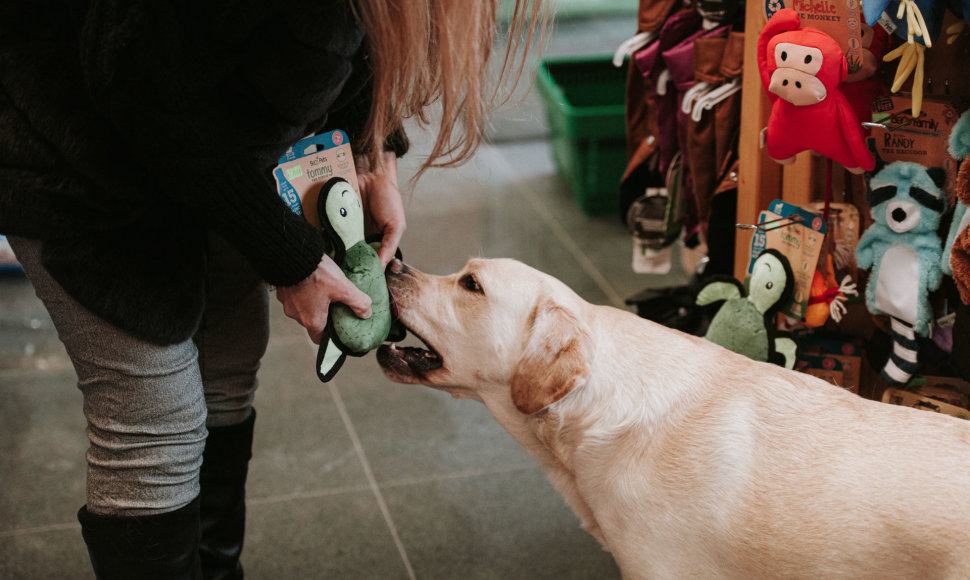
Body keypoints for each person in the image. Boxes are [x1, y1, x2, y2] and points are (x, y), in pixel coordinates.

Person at [0, 1, 545, 577]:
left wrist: (370, 154)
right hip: (78, 151)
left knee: (228, 369)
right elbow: (145, 96)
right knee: (157, 421)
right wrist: (293, 260)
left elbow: (358, 32)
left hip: (217, 140)